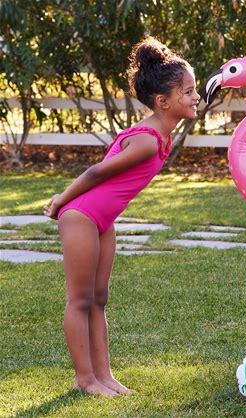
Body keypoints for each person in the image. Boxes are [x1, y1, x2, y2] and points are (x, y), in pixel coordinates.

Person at [43, 36, 200, 397]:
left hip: (102, 220)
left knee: (98, 299)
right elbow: (97, 172)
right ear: (163, 101)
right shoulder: (147, 140)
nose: (196, 97)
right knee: (80, 300)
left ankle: (105, 376)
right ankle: (84, 379)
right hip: (81, 215)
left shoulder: (160, 136)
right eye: (188, 92)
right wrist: (61, 201)